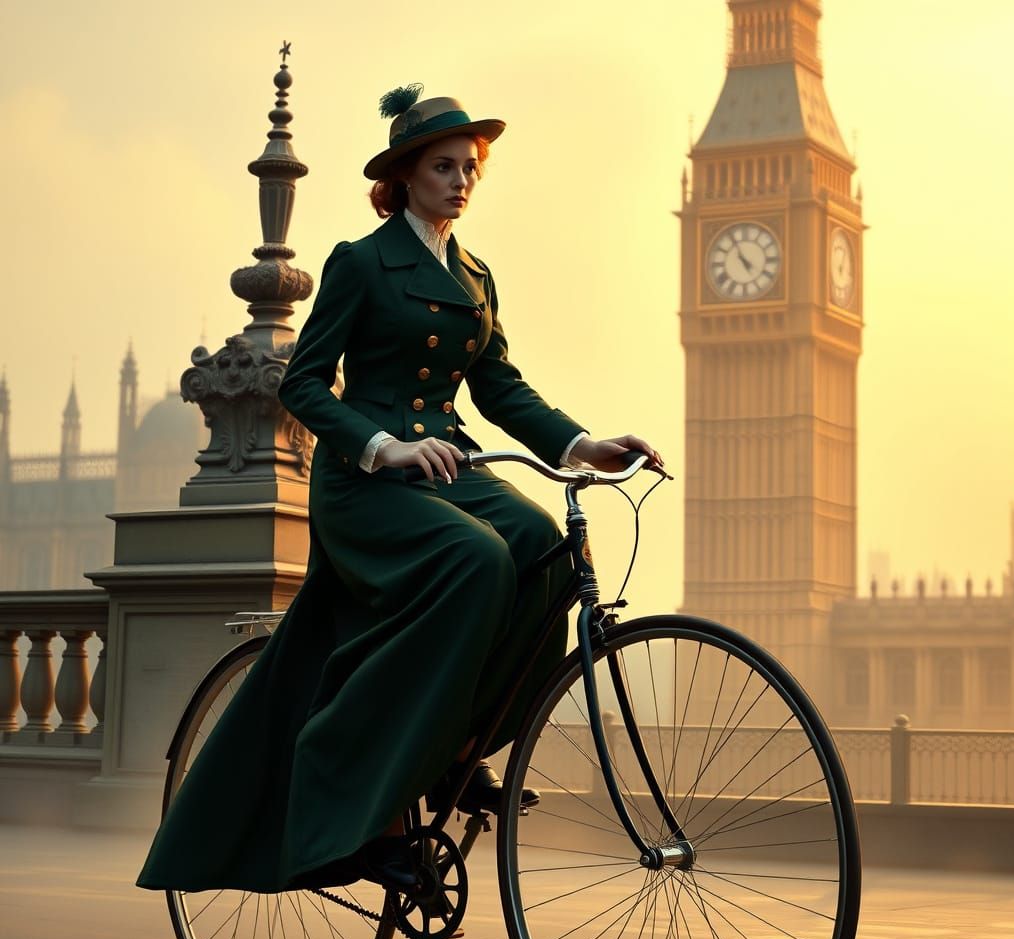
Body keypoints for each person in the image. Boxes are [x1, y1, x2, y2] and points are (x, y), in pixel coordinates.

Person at [136, 84, 661, 896]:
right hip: (366, 480)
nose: (462, 181)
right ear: (406, 176)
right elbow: (306, 386)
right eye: (445, 166)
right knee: (479, 561)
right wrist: (384, 446)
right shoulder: (360, 261)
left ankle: (454, 750)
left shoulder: (476, 274)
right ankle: (362, 770)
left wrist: (583, 444)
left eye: (472, 169)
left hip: (448, 469)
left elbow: (500, 387)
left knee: (545, 552)